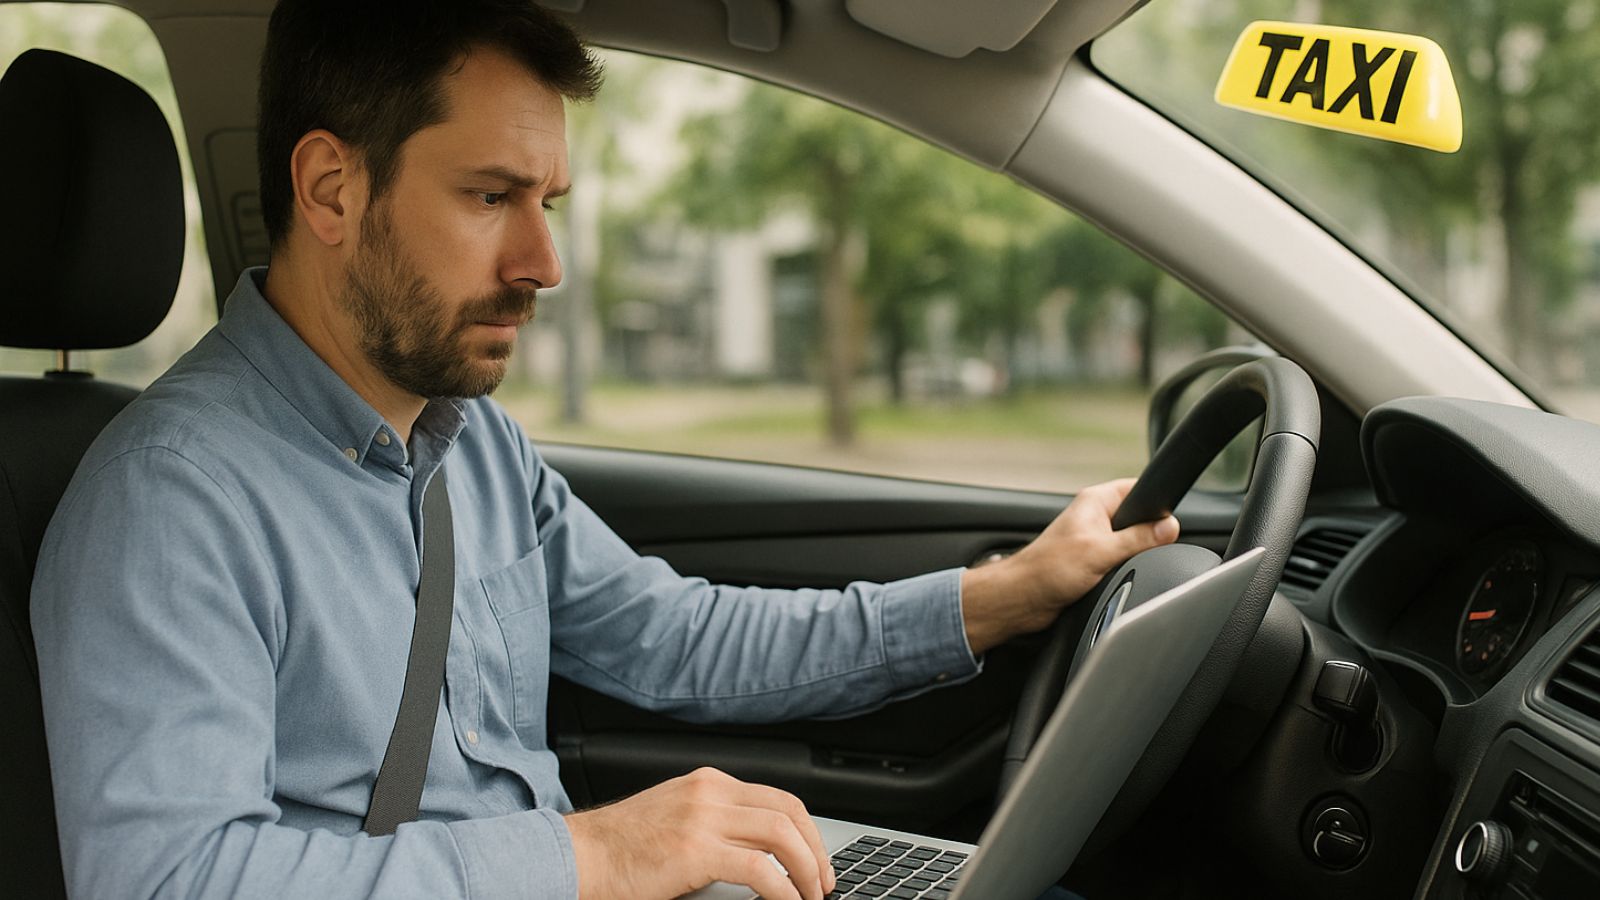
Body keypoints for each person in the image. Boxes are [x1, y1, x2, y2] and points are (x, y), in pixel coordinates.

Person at [29, 2, 1179, 898]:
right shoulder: (170, 499)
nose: (543, 262)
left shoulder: (471, 446)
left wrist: (1005, 596)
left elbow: (676, 639)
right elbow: (165, 879)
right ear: (332, 189)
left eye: (550, 202)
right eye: (491, 196)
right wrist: (592, 861)